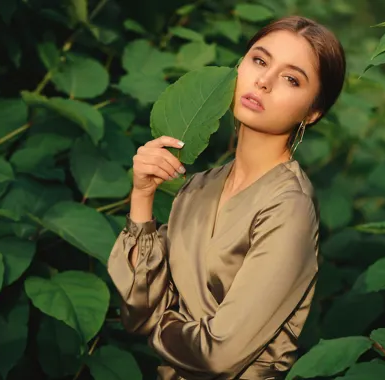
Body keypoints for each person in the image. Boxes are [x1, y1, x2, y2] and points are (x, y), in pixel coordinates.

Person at [107, 15, 346, 380]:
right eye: (260, 61)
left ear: (312, 112)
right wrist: (142, 195)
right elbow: (138, 309)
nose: (263, 81)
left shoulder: (288, 207)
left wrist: (156, 323)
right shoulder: (198, 187)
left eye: (291, 79)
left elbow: (217, 355)